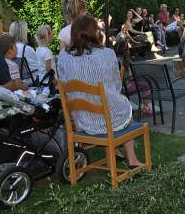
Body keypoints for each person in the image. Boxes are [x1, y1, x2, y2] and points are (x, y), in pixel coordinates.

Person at [58, 15, 143, 168]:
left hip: (82, 122)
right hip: (109, 120)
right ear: (94, 32)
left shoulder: (63, 57)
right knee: (123, 104)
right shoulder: (107, 54)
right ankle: (132, 160)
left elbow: (65, 86)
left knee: (110, 101)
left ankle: (113, 150)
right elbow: (116, 86)